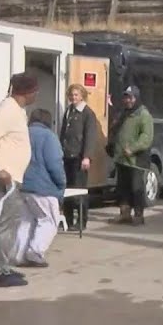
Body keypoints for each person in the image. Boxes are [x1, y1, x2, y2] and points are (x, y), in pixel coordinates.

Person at [0, 73, 40, 289]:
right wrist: (0, 169)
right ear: (27, 92)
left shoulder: (16, 109)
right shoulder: (9, 110)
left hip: (11, 176)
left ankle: (3, 266)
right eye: (35, 90)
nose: (37, 94)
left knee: (11, 221)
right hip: (2, 178)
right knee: (5, 223)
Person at [15, 108, 67, 268]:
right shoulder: (49, 137)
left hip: (22, 187)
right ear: (48, 122)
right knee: (49, 220)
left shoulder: (22, 135)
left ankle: (19, 255)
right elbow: (54, 165)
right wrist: (61, 183)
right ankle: (35, 252)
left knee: (26, 221)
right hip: (44, 188)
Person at [109, 85, 154, 226]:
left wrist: (133, 148)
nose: (128, 100)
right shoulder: (124, 113)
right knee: (123, 188)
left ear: (137, 98)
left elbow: (146, 137)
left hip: (136, 159)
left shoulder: (143, 115)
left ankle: (139, 215)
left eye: (131, 97)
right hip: (122, 158)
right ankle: (125, 214)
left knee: (136, 188)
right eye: (126, 97)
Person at [60, 83, 100, 230]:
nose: (73, 97)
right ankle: (68, 220)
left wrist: (87, 157)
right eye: (71, 95)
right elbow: (63, 132)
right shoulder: (69, 111)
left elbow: (90, 136)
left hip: (79, 157)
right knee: (67, 189)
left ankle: (82, 221)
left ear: (82, 95)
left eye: (76, 95)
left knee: (80, 190)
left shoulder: (88, 113)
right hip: (67, 155)